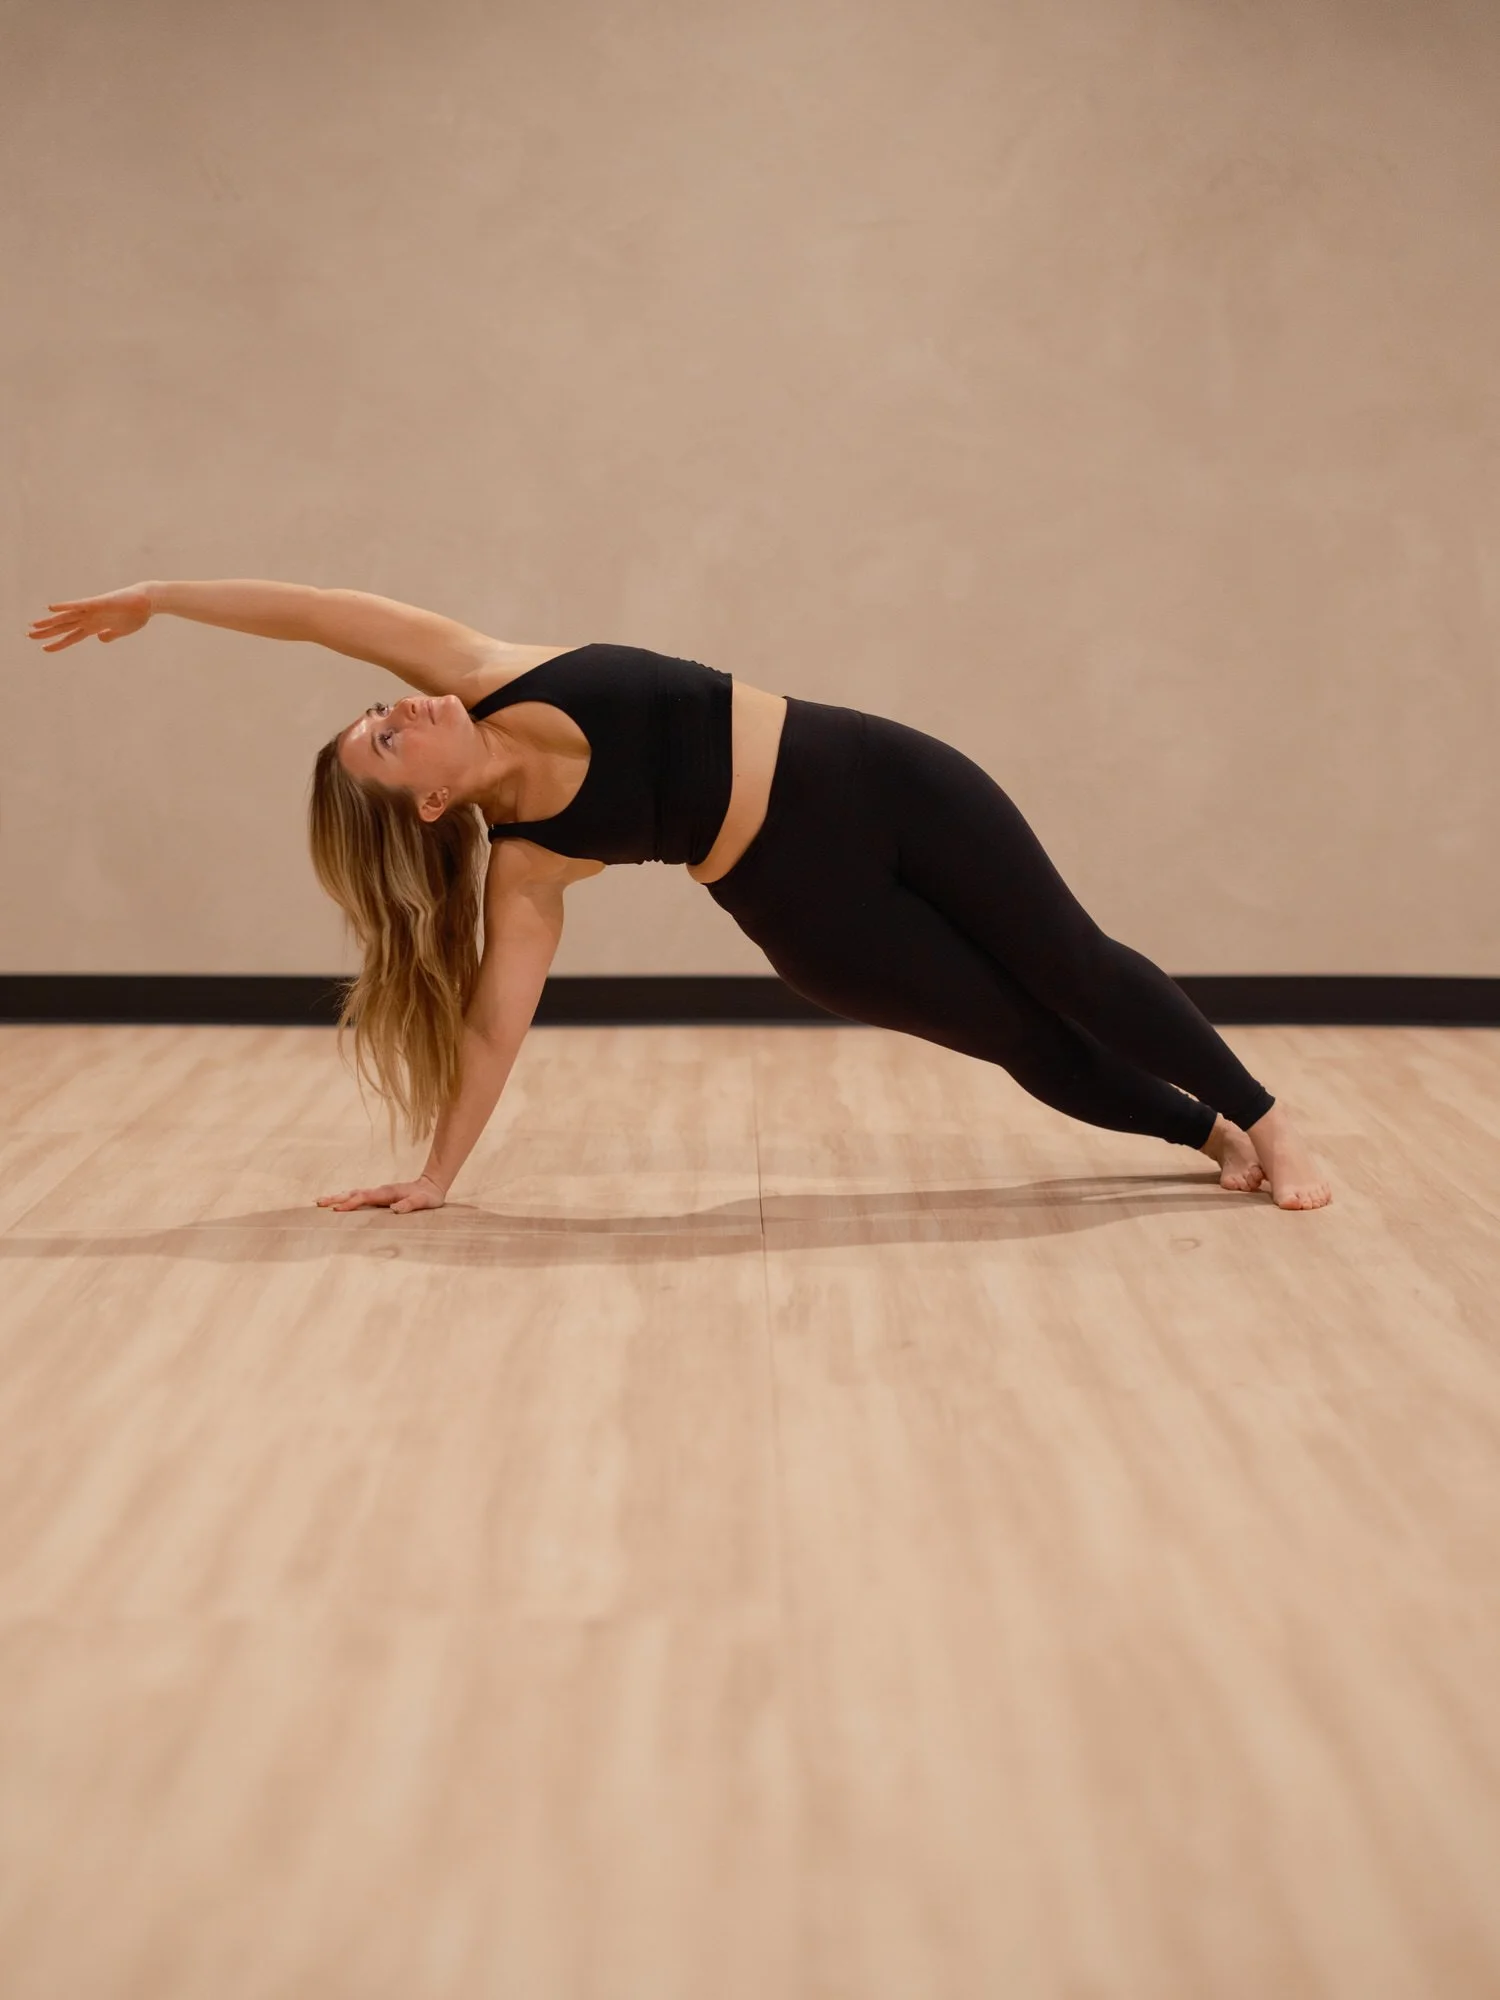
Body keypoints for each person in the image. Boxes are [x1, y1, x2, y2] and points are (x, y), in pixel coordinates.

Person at [28, 580, 1334, 1215]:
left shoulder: (483, 669)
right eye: (383, 741)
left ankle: (1270, 1122)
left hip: (878, 774)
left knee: (1078, 964)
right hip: (808, 913)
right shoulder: (525, 862)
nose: (396, 711)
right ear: (422, 803)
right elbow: (495, 1025)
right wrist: (435, 1175)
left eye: (376, 711)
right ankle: (1205, 1140)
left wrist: (160, 598)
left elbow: (317, 614)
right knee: (1026, 1039)